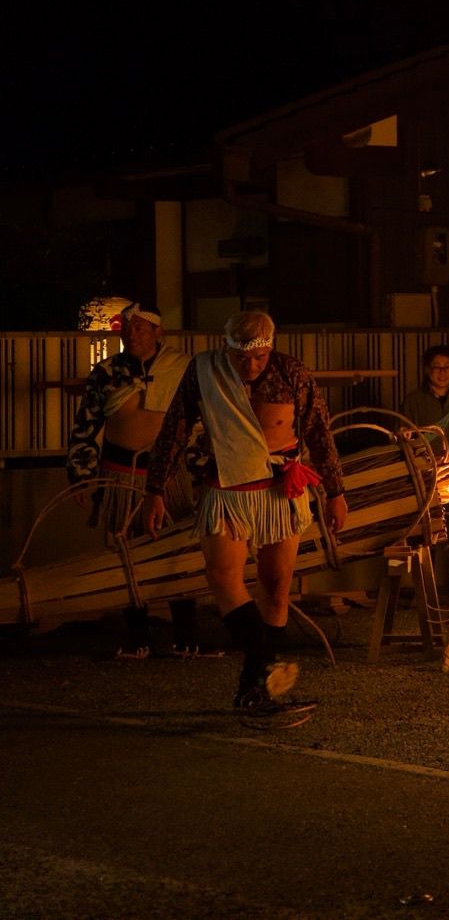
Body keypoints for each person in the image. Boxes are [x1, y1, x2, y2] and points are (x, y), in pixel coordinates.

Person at [142, 311, 347, 715]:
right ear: (226, 349)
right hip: (226, 488)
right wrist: (155, 489)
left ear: (270, 348)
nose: (250, 367)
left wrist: (335, 492)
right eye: (240, 358)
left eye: (258, 357)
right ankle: (263, 663)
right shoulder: (205, 371)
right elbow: (175, 429)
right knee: (222, 577)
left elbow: (319, 431)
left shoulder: (292, 373)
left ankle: (254, 689)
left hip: (279, 489)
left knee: (276, 585)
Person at [65, 301, 213, 658]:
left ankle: (185, 634)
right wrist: (81, 474)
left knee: (176, 548)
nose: (133, 333)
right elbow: (87, 424)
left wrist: (204, 469)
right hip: (119, 473)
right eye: (128, 327)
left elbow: (205, 421)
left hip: (169, 476)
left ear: (158, 332)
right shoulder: (106, 371)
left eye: (142, 327)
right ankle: (137, 635)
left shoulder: (183, 369)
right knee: (124, 551)